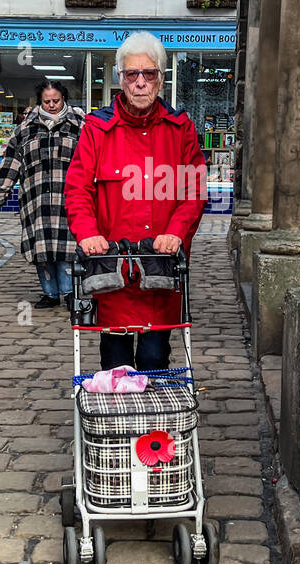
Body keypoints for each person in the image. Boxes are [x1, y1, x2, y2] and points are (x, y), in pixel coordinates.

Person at [64, 32, 208, 369]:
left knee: (154, 356)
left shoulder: (180, 128)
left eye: (148, 74)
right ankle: (118, 422)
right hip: (112, 266)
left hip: (159, 266)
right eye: (132, 74)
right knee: (115, 362)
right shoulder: (96, 129)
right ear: (120, 79)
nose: (140, 82)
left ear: (160, 79)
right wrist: (87, 234)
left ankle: (152, 422)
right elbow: (77, 188)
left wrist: (176, 232)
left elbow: (193, 189)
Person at [0, 80, 85, 308]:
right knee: (41, 249)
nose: (52, 105)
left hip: (69, 198)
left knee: (67, 249)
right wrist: (1, 191)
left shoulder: (80, 125)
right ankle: (50, 293)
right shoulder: (25, 129)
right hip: (36, 199)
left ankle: (70, 292)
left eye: (57, 100)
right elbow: (12, 160)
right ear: (40, 102)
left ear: (64, 99)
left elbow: (93, 159)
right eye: (47, 101)